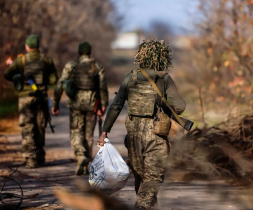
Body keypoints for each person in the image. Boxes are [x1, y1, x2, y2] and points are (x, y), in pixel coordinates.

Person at [98, 39, 186, 210]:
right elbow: (181, 107)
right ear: (163, 57)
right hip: (156, 136)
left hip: (134, 138)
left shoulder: (130, 77)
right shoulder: (164, 78)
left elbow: (116, 105)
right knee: (153, 179)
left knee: (141, 179)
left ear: (141, 56)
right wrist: (166, 103)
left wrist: (104, 131)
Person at [53, 41, 108, 176]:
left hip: (76, 103)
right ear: (89, 52)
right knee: (89, 134)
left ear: (78, 52)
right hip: (92, 103)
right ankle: (86, 163)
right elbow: (102, 88)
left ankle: (80, 155)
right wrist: (103, 105)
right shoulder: (97, 67)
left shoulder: (71, 65)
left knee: (76, 131)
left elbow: (60, 84)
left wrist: (56, 103)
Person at [4, 34, 58, 168]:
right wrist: (43, 80)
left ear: (27, 46)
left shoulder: (20, 61)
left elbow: (7, 74)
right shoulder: (46, 61)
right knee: (40, 127)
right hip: (41, 97)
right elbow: (53, 80)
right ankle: (39, 156)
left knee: (27, 127)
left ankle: (30, 158)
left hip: (25, 98)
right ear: (38, 46)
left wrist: (18, 78)